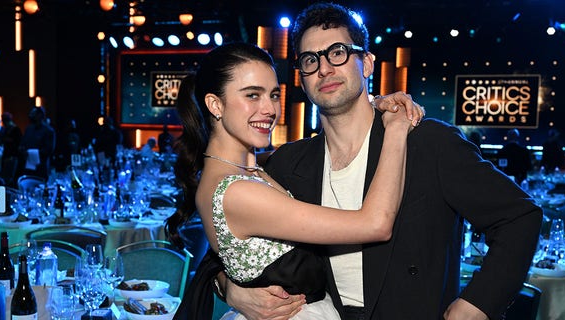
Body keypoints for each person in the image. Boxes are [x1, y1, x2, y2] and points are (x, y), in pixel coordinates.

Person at [201, 3, 544, 320]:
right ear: (301, 78)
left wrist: (475, 306)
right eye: (310, 60)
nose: (324, 68)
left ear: (365, 63)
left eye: (338, 53)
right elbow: (229, 243)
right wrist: (229, 289)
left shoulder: (427, 142)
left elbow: (520, 217)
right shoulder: (288, 163)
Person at [167, 42, 421, 320]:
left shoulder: (244, 169)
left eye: (274, 95)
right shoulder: (237, 191)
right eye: (252, 95)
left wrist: (372, 102)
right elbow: (376, 224)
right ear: (215, 104)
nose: (269, 109)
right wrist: (396, 129)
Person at [19, 106, 56, 180]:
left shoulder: (49, 131)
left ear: (40, 115)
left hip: (41, 167)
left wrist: (32, 153)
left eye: (33, 114)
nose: (30, 116)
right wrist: (22, 149)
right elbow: (23, 143)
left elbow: (49, 149)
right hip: (27, 166)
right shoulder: (28, 129)